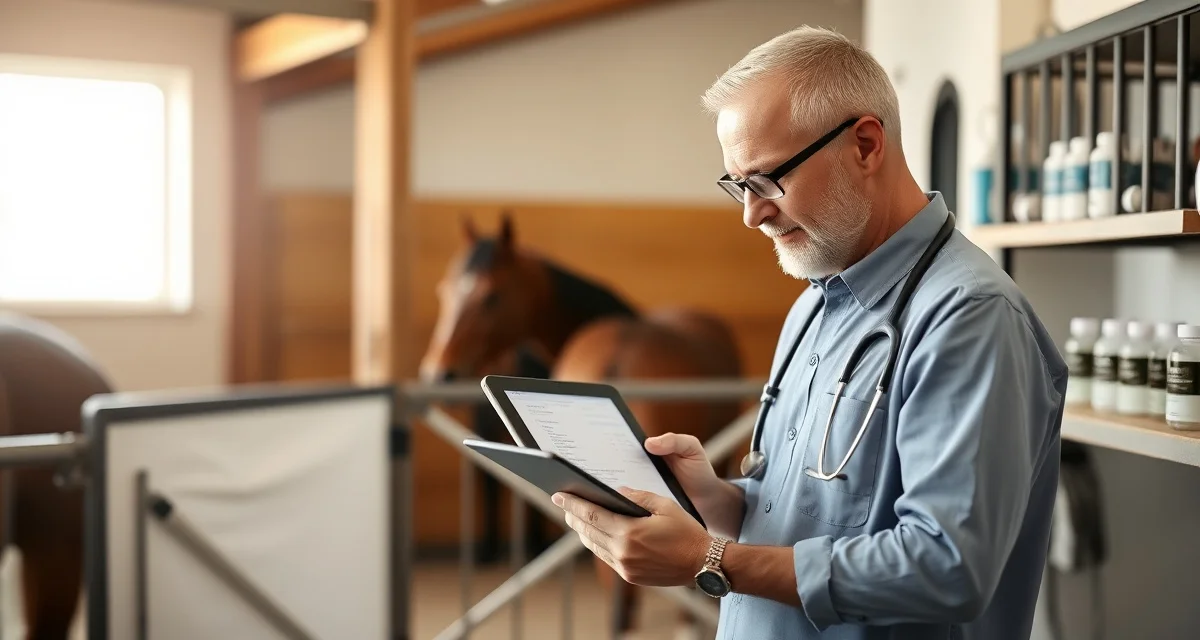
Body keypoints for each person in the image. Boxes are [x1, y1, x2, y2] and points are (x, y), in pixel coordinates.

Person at [549, 25, 1068, 639]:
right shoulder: (815, 303)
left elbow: (947, 566)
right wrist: (716, 499)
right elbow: (821, 511)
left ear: (866, 145)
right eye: (738, 185)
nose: (751, 214)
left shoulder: (969, 316)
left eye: (768, 179)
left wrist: (709, 561)